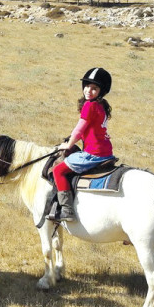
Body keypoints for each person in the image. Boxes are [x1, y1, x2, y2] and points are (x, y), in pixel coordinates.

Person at [49, 67, 115, 222]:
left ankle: (67, 210)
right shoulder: (102, 106)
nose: (89, 91)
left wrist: (69, 144)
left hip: (93, 153)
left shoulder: (89, 105)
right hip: (106, 152)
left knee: (58, 170)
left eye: (94, 88)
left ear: (101, 91)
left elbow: (79, 129)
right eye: (87, 86)